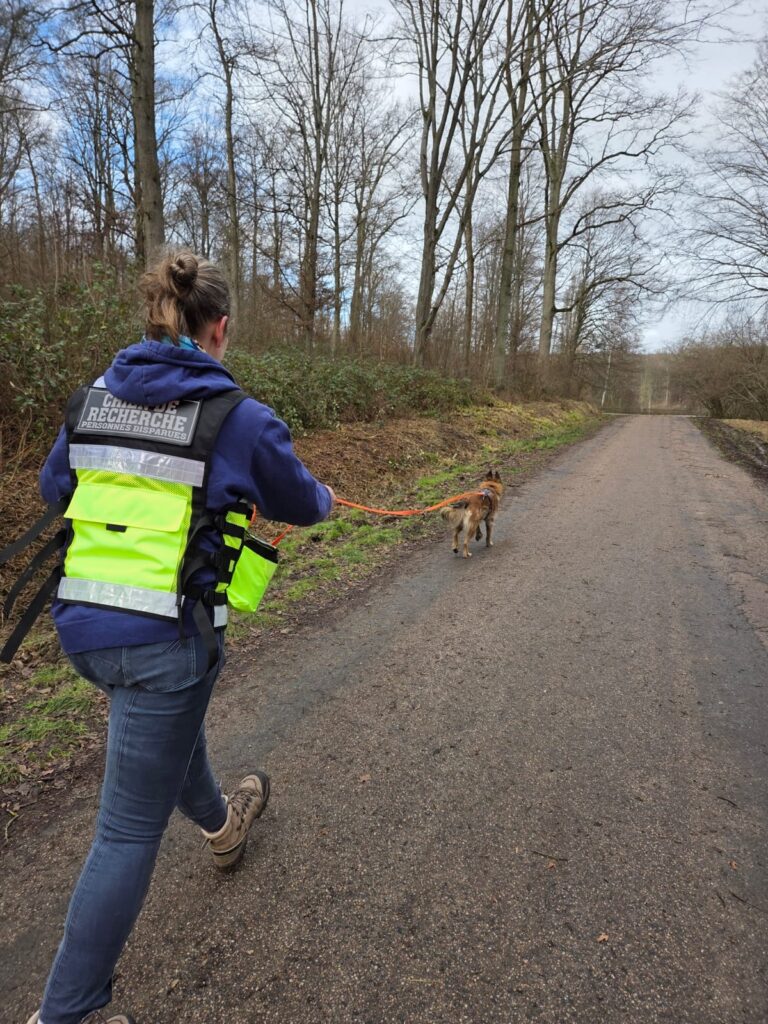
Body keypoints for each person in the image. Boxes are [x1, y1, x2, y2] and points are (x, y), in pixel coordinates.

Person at [25, 251, 335, 1024]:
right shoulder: (239, 419)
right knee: (127, 831)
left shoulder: (93, 399)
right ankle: (67, 1012)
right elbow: (303, 503)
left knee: (168, 726)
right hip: (165, 639)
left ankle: (224, 827)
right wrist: (324, 496)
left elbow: (54, 486)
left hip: (85, 631)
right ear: (220, 328)